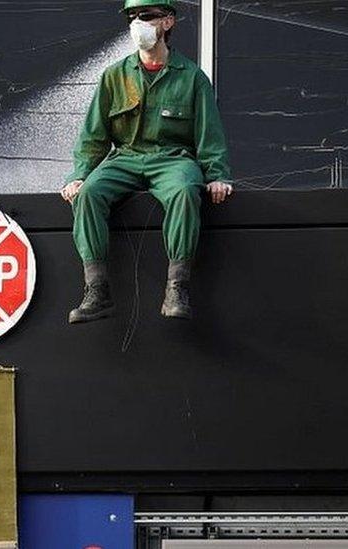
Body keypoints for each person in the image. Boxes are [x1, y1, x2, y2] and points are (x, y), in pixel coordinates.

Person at [60, 0, 233, 323]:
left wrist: (216, 174)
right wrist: (79, 174)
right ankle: (97, 289)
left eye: (147, 16)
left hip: (172, 159)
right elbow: (93, 135)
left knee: (183, 192)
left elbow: (209, 134)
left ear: (168, 22)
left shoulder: (192, 77)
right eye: (132, 17)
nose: (138, 23)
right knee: (88, 195)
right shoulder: (115, 76)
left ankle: (176, 287)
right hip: (125, 157)